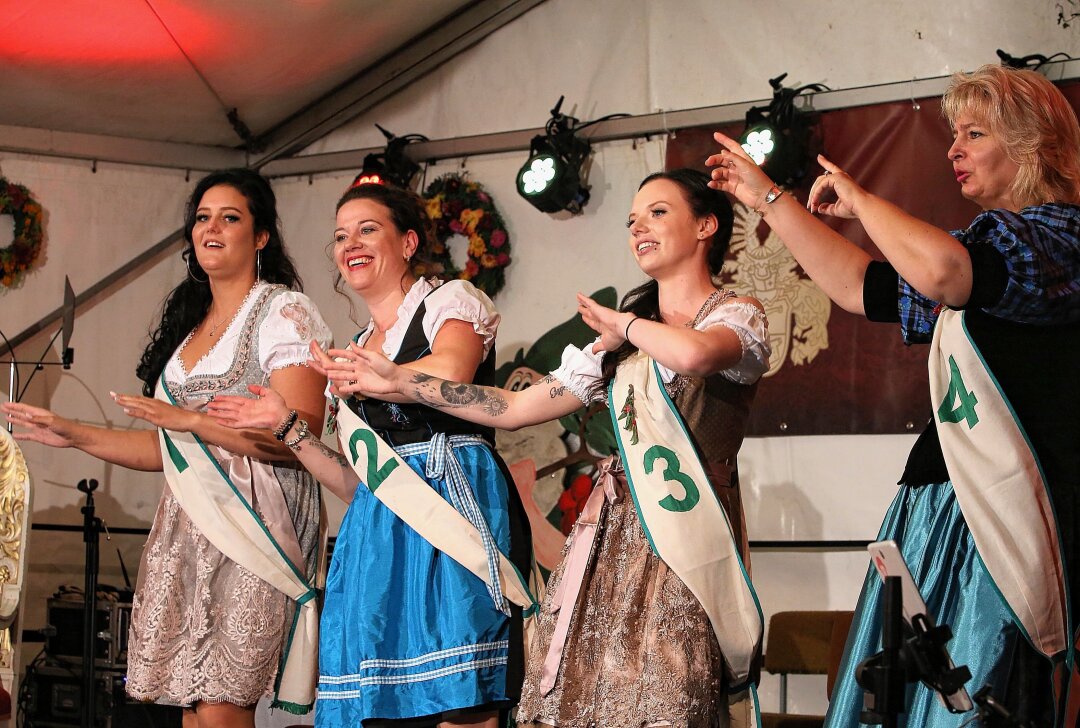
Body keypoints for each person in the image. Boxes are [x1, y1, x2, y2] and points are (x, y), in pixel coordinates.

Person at [329, 169, 772, 727]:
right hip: (611, 539)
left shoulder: (734, 315)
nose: (639, 227)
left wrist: (626, 326)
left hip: (685, 534)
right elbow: (514, 408)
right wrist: (402, 382)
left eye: (657, 213)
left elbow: (697, 356)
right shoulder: (620, 337)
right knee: (585, 702)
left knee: (670, 695)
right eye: (632, 219)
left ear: (706, 224)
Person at [707, 64, 1080, 726]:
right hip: (936, 510)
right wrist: (769, 199)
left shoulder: (1060, 238)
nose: (953, 149)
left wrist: (863, 199)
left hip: (1005, 518)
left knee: (974, 700)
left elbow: (945, 274)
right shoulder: (978, 249)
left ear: (1029, 144)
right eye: (952, 134)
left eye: (973, 133)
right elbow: (858, 287)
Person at [3, 168, 332, 727]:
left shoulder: (283, 311)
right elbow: (166, 450)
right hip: (190, 523)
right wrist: (72, 432)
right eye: (202, 218)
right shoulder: (191, 328)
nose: (211, 228)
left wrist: (190, 422)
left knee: (225, 702)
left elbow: (301, 439)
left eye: (230, 218)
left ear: (261, 237)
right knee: (195, 708)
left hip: (257, 521)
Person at [207, 181, 535, 728]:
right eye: (340, 236)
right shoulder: (353, 349)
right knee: (380, 709)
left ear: (408, 242)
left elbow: (452, 371)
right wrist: (286, 426)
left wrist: (380, 377)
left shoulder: (449, 301)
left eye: (367, 230)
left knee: (460, 700)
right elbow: (355, 483)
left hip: (451, 506)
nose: (350, 244)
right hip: (378, 533)